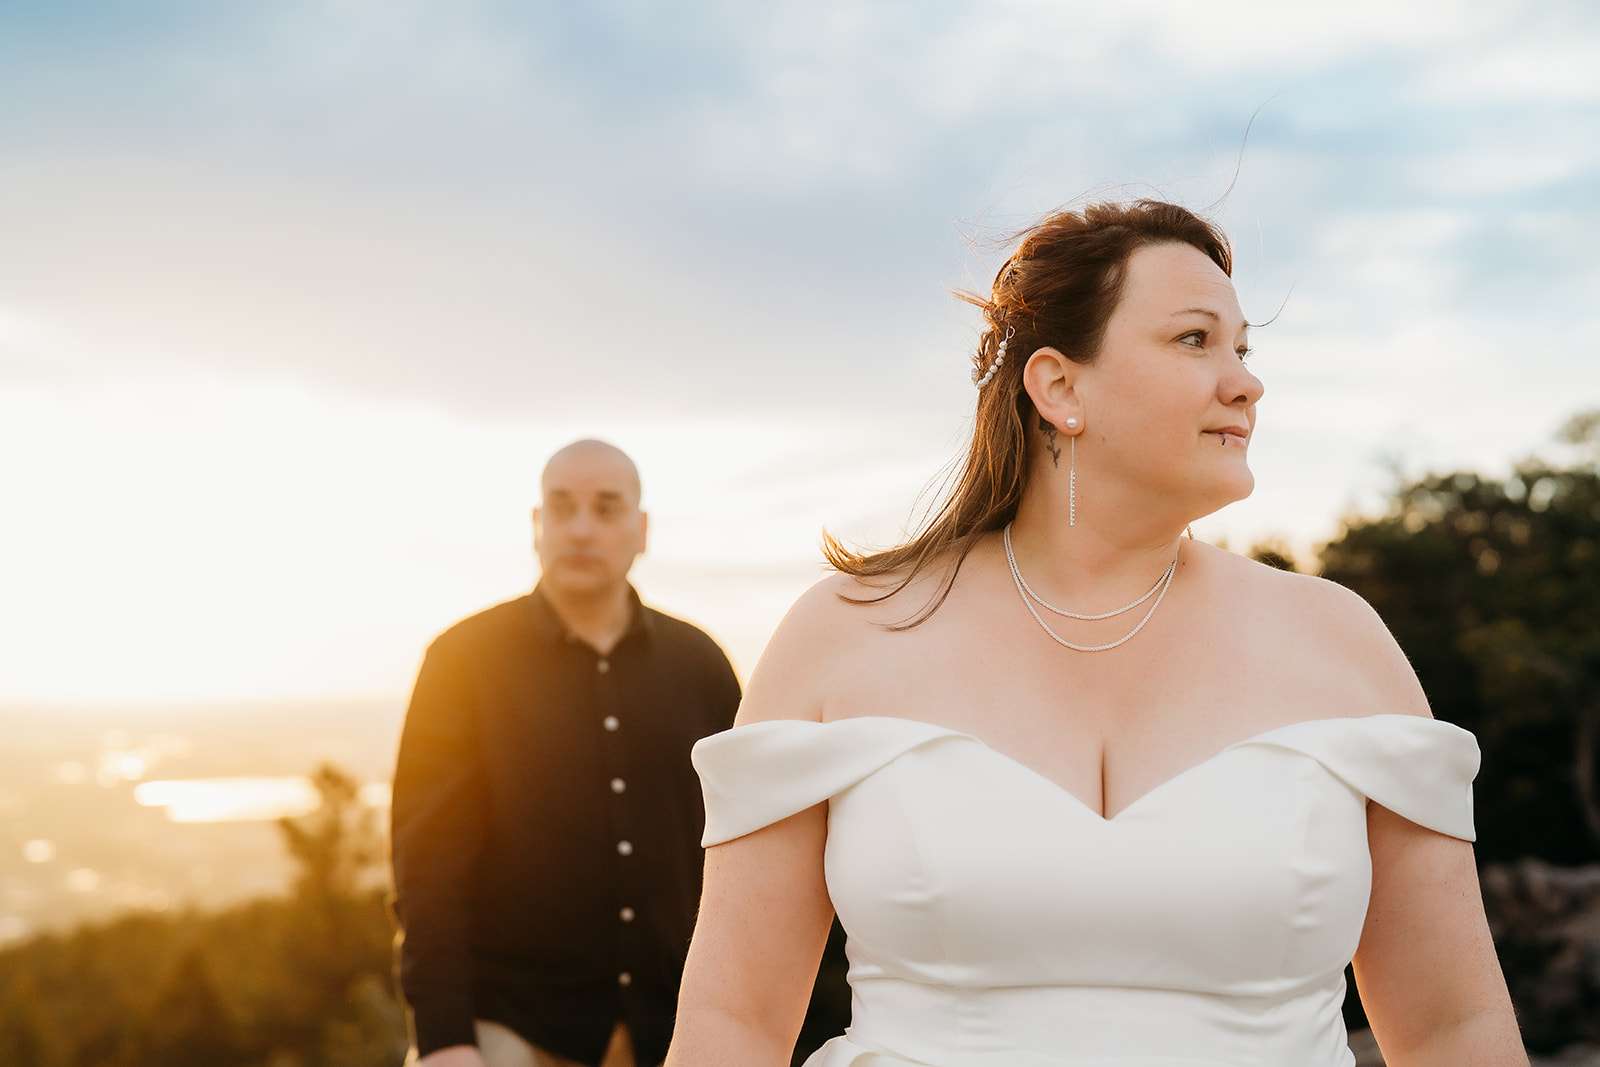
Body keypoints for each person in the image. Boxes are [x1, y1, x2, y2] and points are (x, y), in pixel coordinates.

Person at [666, 201, 1528, 1066]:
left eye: (1243, 349)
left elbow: (1455, 1027)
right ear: (1059, 386)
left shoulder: (1344, 642)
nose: (1244, 381)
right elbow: (733, 1021)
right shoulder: (846, 633)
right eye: (1195, 340)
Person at [391, 439, 742, 1067]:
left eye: (607, 509)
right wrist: (444, 1038)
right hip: (508, 1026)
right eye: (562, 508)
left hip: (674, 1028)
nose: (581, 529)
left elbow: (741, 850)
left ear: (641, 530)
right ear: (536, 526)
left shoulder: (702, 666)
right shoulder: (460, 661)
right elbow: (426, 866)